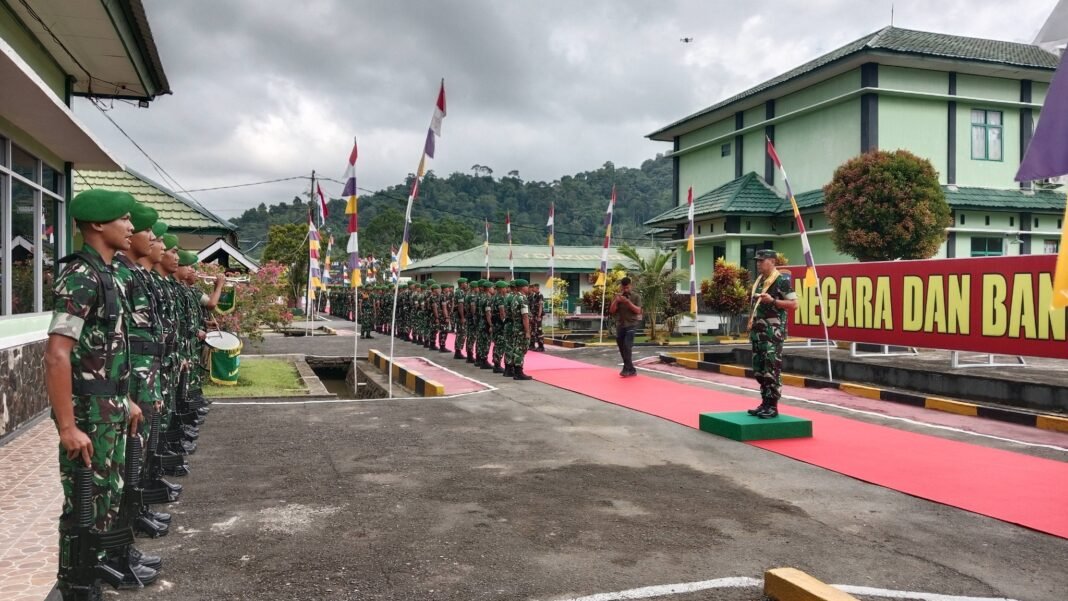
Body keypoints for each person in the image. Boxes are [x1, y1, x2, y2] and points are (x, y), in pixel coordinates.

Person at [44, 190, 157, 599]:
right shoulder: (80, 276)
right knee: (83, 507)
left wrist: (123, 397)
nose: (131, 227)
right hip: (87, 414)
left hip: (108, 407)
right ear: (97, 225)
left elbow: (104, 351)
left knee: (107, 497)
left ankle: (94, 575)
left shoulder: (105, 273)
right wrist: (68, 427)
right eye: (123, 219)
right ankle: (75, 586)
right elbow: (58, 355)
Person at [746, 249, 798, 419]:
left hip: (772, 334)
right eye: (757, 261)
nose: (758, 263)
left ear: (772, 262)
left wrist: (773, 301)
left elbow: (794, 304)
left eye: (762, 260)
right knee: (759, 370)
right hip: (758, 333)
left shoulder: (781, 281)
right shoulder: (761, 280)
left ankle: (773, 406)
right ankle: (764, 403)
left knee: (771, 369)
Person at [608, 276, 642, 377]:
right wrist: (616, 301)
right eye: (623, 288)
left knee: (627, 346)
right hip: (621, 324)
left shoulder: (636, 297)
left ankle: (626, 369)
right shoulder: (618, 296)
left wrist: (627, 302)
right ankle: (630, 368)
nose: (625, 290)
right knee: (622, 347)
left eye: (627, 288)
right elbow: (612, 310)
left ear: (631, 286)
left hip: (631, 324)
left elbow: (638, 310)